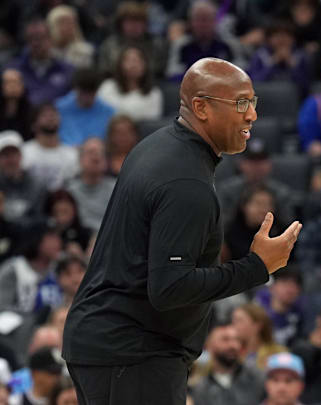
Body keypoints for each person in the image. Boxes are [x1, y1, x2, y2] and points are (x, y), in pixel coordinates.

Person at [61, 58, 303, 405]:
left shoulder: (155, 146)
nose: (251, 115)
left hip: (109, 344)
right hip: (133, 352)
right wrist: (257, 267)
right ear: (200, 107)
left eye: (253, 102)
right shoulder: (186, 183)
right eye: (240, 103)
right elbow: (169, 287)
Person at [191, 321, 264, 405]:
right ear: (209, 345)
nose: (234, 345)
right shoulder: (200, 388)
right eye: (225, 339)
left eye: (237, 339)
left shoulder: (257, 378)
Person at [96, 45, 163, 121]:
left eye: (137, 60)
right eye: (128, 60)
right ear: (120, 64)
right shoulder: (107, 87)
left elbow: (151, 123)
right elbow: (99, 114)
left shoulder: (154, 93)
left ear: (146, 65)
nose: (133, 65)